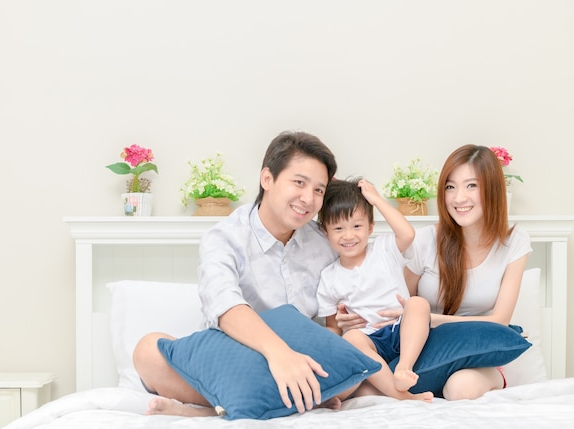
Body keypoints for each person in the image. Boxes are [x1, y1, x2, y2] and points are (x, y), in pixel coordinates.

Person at [132, 130, 339, 417]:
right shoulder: (225, 237)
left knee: (354, 355)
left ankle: (212, 411)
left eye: (319, 190)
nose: (308, 198)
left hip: (302, 360)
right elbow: (224, 304)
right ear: (267, 178)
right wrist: (279, 353)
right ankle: (288, 399)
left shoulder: (325, 243)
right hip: (237, 359)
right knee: (148, 352)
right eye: (299, 183)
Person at [336, 144, 532, 400]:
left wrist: (429, 318)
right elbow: (400, 303)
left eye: (471, 186)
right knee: (365, 384)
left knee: (461, 388)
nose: (459, 198)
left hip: (475, 349)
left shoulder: (514, 242)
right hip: (423, 348)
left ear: (493, 189)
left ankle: (490, 379)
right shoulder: (426, 241)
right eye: (450, 187)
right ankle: (407, 391)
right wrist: (358, 315)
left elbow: (500, 321)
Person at [316, 178, 433, 402]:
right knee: (351, 337)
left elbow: (407, 234)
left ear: (370, 227)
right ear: (326, 232)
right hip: (370, 342)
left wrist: (376, 199)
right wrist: (332, 344)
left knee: (418, 303)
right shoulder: (329, 277)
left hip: (402, 330)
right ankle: (403, 396)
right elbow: (333, 327)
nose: (348, 236)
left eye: (357, 226)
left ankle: (403, 369)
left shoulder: (384, 248)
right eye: (338, 228)